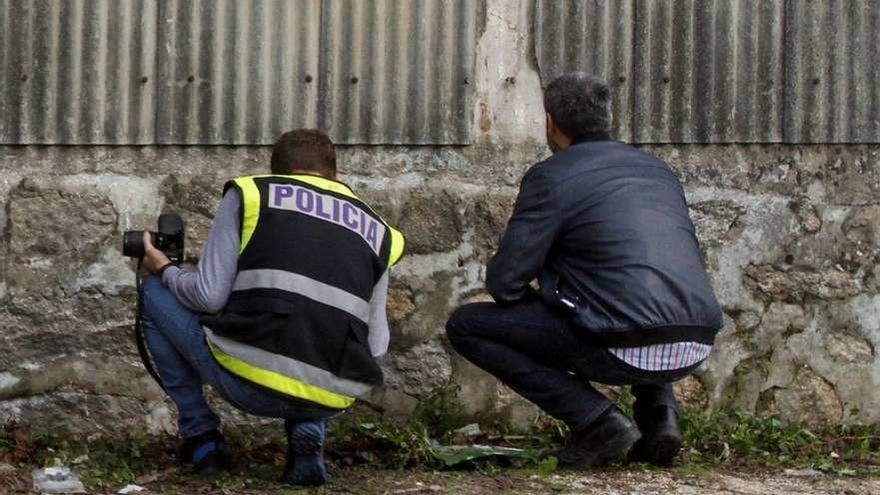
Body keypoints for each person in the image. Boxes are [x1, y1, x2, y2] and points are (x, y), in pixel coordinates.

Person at [445, 72, 723, 469]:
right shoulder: (658, 170)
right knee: (638, 298)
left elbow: (506, 282)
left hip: (620, 342)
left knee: (467, 325)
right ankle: (661, 417)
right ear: (607, 118)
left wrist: (548, 302)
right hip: (695, 339)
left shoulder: (552, 176)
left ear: (550, 123)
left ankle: (597, 421)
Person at [138, 129, 405, 486]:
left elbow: (208, 297)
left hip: (249, 384)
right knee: (321, 332)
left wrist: (164, 269)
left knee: (154, 294)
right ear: (336, 176)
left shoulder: (251, 195)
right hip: (331, 394)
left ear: (276, 171)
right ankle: (309, 428)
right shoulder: (379, 230)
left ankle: (203, 439)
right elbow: (375, 344)